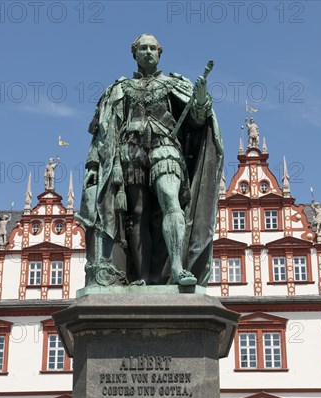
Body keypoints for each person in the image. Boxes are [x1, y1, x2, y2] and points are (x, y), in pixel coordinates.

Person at [76, 34, 223, 287]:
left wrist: (199, 101)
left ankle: (177, 268)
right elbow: (103, 131)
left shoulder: (175, 84)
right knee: (138, 215)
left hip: (165, 147)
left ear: (159, 53)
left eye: (152, 48)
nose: (147, 52)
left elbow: (198, 121)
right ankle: (141, 277)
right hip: (129, 153)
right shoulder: (119, 89)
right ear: (134, 54)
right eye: (142, 48)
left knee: (170, 198)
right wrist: (92, 165)